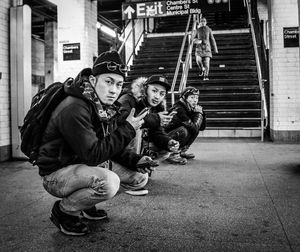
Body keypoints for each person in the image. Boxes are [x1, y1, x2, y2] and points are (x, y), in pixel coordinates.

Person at [36, 50, 156, 236]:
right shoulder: (75, 107)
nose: (114, 90)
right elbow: (93, 154)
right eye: (108, 82)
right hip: (56, 174)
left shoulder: (103, 108)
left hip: (80, 164)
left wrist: (135, 160)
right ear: (93, 81)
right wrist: (128, 129)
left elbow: (108, 145)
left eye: (118, 84)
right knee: (109, 182)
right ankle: (65, 211)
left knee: (138, 177)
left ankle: (86, 203)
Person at [118, 75, 188, 167]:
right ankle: (130, 166)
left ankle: (143, 165)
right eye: (154, 91)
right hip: (118, 149)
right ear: (145, 89)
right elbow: (122, 120)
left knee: (166, 150)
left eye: (162, 94)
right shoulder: (128, 98)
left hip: (139, 146)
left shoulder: (156, 108)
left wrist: (168, 142)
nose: (157, 97)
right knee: (136, 127)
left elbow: (156, 132)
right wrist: (156, 118)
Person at [165, 86, 206, 159]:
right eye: (192, 97)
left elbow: (201, 128)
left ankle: (181, 151)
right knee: (183, 130)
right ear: (184, 98)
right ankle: (172, 154)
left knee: (192, 129)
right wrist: (198, 114)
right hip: (163, 139)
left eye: (196, 98)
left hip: (170, 136)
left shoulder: (189, 108)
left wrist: (202, 113)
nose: (195, 100)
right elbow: (194, 128)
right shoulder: (179, 109)